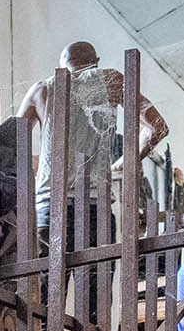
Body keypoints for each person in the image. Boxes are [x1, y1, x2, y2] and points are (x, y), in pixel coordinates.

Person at [16, 41, 169, 246]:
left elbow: (13, 140)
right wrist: (124, 162)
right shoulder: (111, 80)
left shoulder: (42, 89)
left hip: (50, 204)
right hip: (96, 206)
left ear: (62, 66)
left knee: (48, 276)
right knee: (97, 276)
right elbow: (158, 126)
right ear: (96, 62)